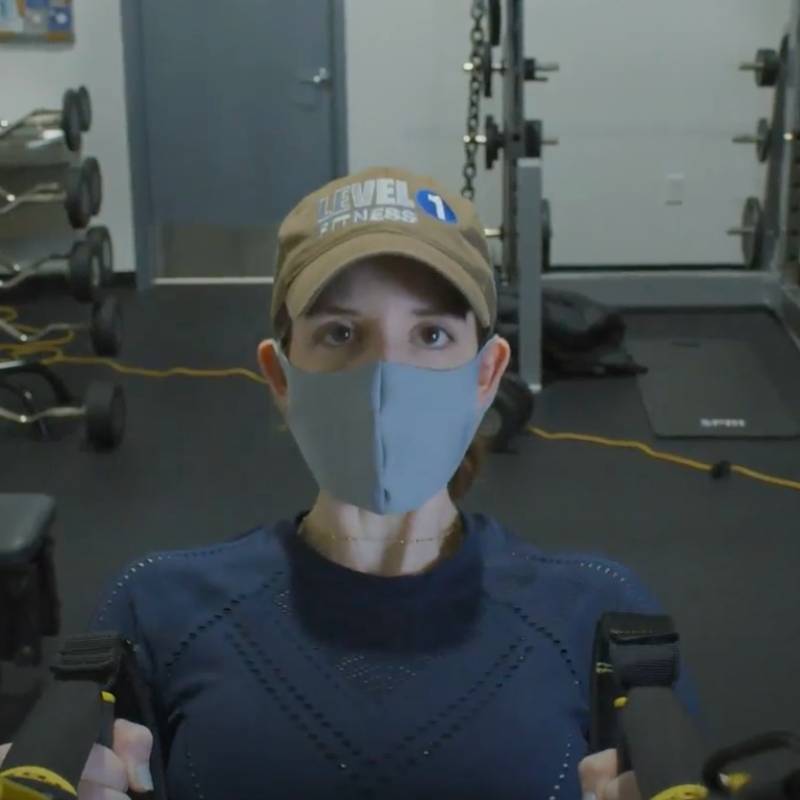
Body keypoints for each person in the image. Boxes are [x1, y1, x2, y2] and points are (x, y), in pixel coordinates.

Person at [1, 166, 704, 799]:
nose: (385, 380)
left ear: (486, 375)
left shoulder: (599, 619)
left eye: (431, 335)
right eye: (340, 333)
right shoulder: (158, 611)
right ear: (281, 377)